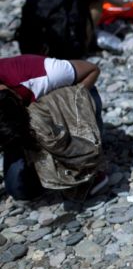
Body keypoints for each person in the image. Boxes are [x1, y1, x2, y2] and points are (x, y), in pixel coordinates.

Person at [0, 55, 107, 200]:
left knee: (76, 151)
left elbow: (92, 69)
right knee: (20, 189)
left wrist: (64, 103)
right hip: (17, 124)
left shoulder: (41, 74)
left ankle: (89, 169)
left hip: (66, 102)